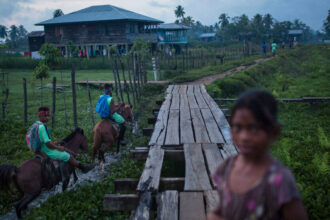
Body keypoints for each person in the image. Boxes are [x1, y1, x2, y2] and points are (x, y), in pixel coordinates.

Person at [207, 90, 308, 220]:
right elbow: (218, 211)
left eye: (254, 128)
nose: (244, 137)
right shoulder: (226, 167)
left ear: (274, 131)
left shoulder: (279, 180)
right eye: (237, 127)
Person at [36, 106, 94, 173]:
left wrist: (53, 143)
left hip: (42, 148)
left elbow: (44, 140)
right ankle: (83, 168)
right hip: (46, 150)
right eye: (45, 116)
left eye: (48, 116)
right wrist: (57, 147)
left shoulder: (37, 124)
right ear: (40, 115)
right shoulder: (42, 127)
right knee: (68, 156)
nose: (47, 118)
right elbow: (47, 143)